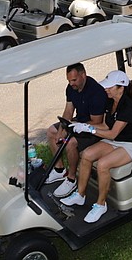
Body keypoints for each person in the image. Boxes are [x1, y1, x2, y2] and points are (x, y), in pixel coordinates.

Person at [60, 70, 132, 224]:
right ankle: (80, 195)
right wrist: (84, 125)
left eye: (110, 87)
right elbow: (106, 124)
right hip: (117, 141)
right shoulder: (111, 102)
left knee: (103, 165)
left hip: (131, 145)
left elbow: (112, 134)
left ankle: (101, 204)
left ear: (121, 87)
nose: (106, 89)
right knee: (86, 154)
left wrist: (91, 130)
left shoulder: (127, 106)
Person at [45, 63, 107, 198]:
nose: (71, 83)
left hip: (93, 129)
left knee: (71, 143)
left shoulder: (96, 92)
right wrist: (62, 129)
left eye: (74, 80)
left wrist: (75, 127)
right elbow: (68, 110)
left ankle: (71, 179)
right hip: (77, 122)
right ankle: (60, 169)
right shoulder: (71, 88)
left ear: (83, 75)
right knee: (51, 131)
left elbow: (96, 122)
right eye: (69, 80)